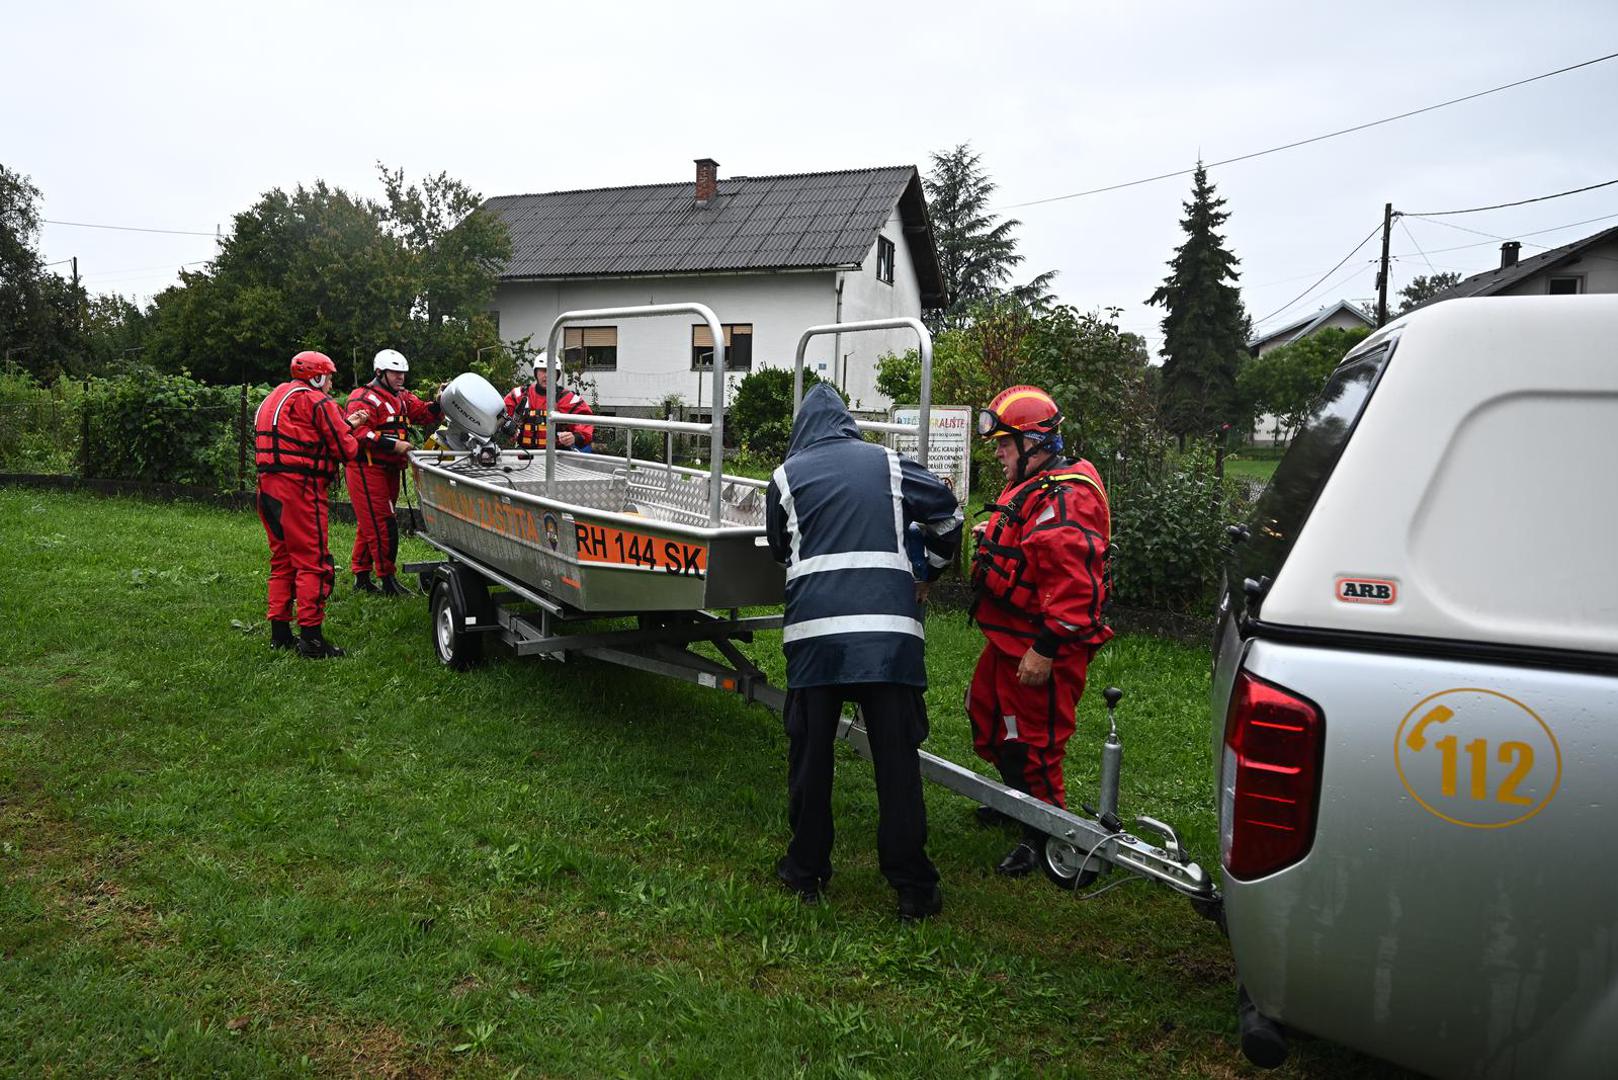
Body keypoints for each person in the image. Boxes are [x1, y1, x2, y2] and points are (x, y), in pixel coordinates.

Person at [765, 383, 963, 921]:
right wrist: (929, 570)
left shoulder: (785, 478)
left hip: (816, 641)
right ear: (848, 424)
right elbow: (948, 517)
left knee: (811, 758)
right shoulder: (893, 466)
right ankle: (913, 889)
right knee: (896, 764)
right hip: (889, 640)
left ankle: (805, 873)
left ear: (801, 430)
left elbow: (783, 550)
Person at [967, 385, 1112, 877]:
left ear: (1034, 443)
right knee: (987, 717)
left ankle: (1044, 835)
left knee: (1036, 742)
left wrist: (1045, 649)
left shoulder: (1067, 500)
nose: (1001, 454)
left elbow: (1074, 589)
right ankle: (1017, 803)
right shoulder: (1037, 486)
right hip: (1008, 638)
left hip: (1042, 647)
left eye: (1006, 445)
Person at [254, 350, 370, 659]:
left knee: (282, 560)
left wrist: (344, 421)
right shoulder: (317, 401)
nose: (331, 383)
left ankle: (280, 633)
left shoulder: (274, 397)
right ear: (317, 377)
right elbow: (346, 449)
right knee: (313, 562)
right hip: (299, 489)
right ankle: (311, 639)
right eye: (329, 377)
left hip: (268, 487)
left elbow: (305, 434)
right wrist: (354, 428)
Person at [345, 348, 442, 595]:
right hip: (367, 468)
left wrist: (440, 402)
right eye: (395, 373)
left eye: (403, 373)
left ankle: (361, 576)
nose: (401, 377)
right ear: (380, 373)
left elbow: (422, 413)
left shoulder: (402, 397)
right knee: (382, 524)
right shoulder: (363, 397)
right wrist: (394, 445)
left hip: (389, 469)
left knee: (370, 523)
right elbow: (358, 432)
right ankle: (387, 580)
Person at [503, 351, 594, 452]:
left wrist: (574, 437)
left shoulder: (569, 399)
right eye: (542, 370)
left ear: (557, 374)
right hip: (525, 456)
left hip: (557, 456)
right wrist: (508, 427)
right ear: (536, 373)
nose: (546, 375)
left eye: (551, 371)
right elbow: (500, 416)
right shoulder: (520, 395)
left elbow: (586, 424)